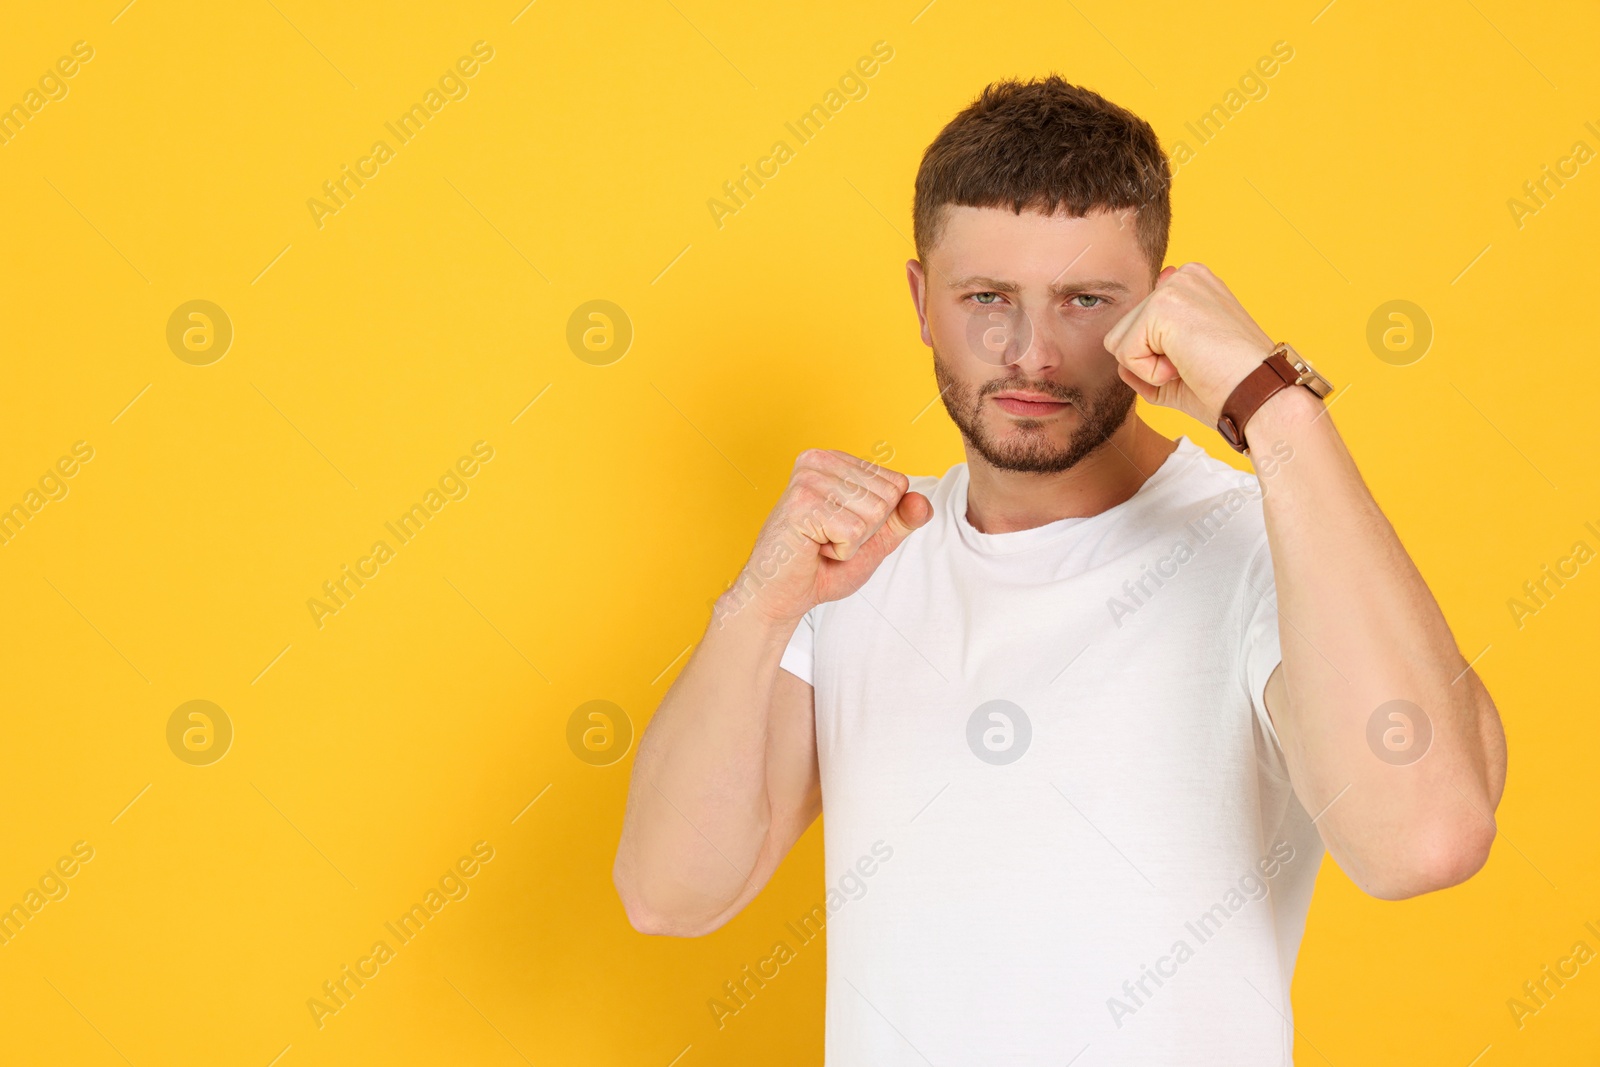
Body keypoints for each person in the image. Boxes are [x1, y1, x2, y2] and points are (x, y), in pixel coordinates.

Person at [613, 76, 1507, 1064]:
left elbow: (1426, 837)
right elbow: (670, 891)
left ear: (1160, 307)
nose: (1030, 353)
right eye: (986, 298)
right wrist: (757, 606)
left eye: (1084, 300)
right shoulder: (862, 563)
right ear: (921, 301)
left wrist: (1275, 405)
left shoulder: (1273, 547)